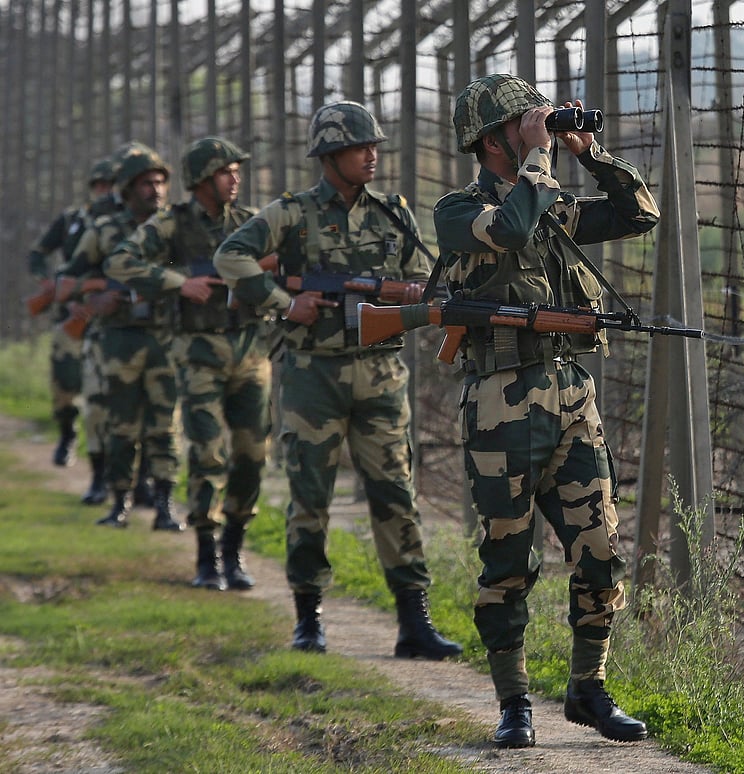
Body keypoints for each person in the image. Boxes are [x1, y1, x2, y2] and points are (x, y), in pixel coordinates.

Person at [434, 73, 659, 748]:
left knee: (600, 550)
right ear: (490, 140)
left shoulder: (551, 202)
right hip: (501, 404)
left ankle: (589, 687)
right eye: (523, 123)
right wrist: (538, 159)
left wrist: (590, 154)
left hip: (569, 396)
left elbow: (639, 215)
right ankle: (513, 701)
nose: (539, 131)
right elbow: (508, 230)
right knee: (509, 561)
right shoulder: (458, 210)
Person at [214, 100, 461, 659]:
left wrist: (411, 296)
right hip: (313, 376)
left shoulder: (394, 213)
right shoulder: (292, 213)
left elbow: (421, 279)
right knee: (310, 497)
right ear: (329, 156)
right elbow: (232, 257)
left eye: (374, 146)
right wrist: (284, 303)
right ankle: (308, 619)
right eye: (358, 147)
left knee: (396, 494)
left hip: (381, 374)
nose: (371, 155)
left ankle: (414, 623)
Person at [105, 137, 270, 591]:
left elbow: (291, 263)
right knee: (206, 451)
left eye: (236, 171)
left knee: (252, 455)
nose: (234, 179)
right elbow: (120, 262)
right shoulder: (172, 224)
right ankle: (206, 555)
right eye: (224, 172)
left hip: (250, 350)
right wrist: (179, 283)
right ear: (201, 180)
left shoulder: (252, 222)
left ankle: (234, 549)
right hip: (197, 352)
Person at [64, 142, 184, 532]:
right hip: (118, 340)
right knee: (121, 426)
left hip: (164, 337)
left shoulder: (175, 229)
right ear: (129, 188)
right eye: (147, 183)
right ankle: (120, 502)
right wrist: (94, 297)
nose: (156, 190)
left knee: (165, 426)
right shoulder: (104, 230)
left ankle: (165, 505)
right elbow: (68, 280)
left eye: (161, 182)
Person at [26, 157, 121, 470]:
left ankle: (110, 458)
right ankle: (67, 434)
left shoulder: (124, 223)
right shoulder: (72, 219)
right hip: (70, 312)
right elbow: (38, 254)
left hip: (108, 312)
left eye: (110, 185)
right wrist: (50, 286)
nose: (105, 190)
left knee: (107, 390)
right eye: (100, 185)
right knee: (65, 382)